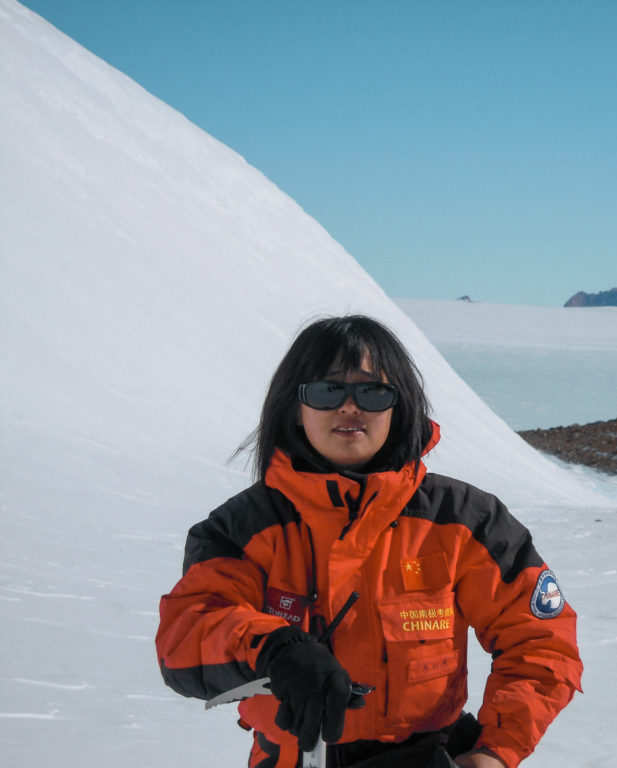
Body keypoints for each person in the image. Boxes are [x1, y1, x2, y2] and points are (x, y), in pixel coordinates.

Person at [156, 315, 583, 768]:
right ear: (294, 407)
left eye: (371, 391)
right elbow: (186, 636)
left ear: (399, 406)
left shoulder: (463, 521)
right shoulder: (242, 529)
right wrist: (274, 648)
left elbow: (542, 642)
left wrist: (495, 752)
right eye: (326, 390)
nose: (349, 407)